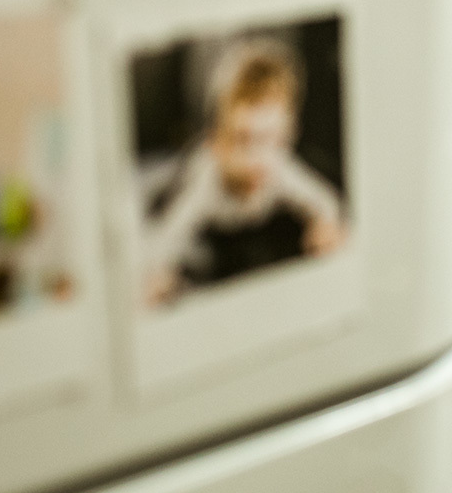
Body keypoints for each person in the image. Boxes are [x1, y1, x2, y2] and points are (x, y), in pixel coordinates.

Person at [142, 38, 345, 305]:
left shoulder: (278, 167)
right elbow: (167, 237)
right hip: (177, 186)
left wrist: (324, 225)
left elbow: (323, 201)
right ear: (216, 141)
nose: (257, 160)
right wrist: (157, 274)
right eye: (242, 141)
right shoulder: (206, 177)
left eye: (274, 140)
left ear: (290, 135)